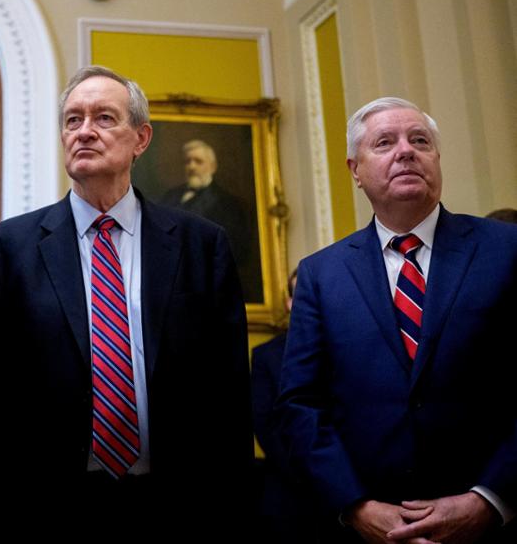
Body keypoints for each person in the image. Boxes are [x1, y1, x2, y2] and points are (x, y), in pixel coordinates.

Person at [0, 65, 253, 540]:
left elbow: (229, 396)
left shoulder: (200, 244)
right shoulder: (12, 246)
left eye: (103, 118)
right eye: (73, 120)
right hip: (46, 507)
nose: (84, 132)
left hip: (177, 505)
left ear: (141, 138)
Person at [278, 96, 517, 543]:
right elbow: (301, 403)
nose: (405, 151)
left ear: (437, 160)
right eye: (384, 142)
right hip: (371, 528)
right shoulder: (321, 274)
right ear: (355, 170)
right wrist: (356, 506)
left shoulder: (506, 250)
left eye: (419, 140)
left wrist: (489, 498)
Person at [251, 267, 318, 543]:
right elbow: (265, 425)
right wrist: (315, 475)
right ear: (290, 303)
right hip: (289, 491)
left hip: (350, 491)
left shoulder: (346, 347)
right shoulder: (266, 356)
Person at [160, 139, 257, 299]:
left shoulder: (228, 204)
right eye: (188, 161)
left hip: (207, 289)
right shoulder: (170, 197)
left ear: (212, 167)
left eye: (198, 161)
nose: (191, 166)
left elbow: (236, 251)